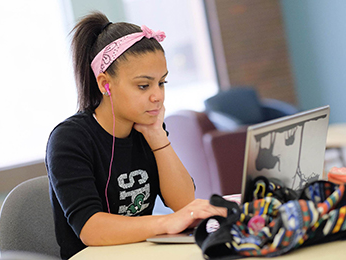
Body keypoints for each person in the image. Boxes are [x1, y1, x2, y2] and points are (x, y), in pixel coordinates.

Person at [45, 11, 226, 259]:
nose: (157, 96)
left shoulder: (145, 128)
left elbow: (184, 203)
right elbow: (91, 229)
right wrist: (166, 223)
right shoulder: (69, 139)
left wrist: (157, 137)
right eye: (144, 85)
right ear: (104, 84)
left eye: (161, 83)